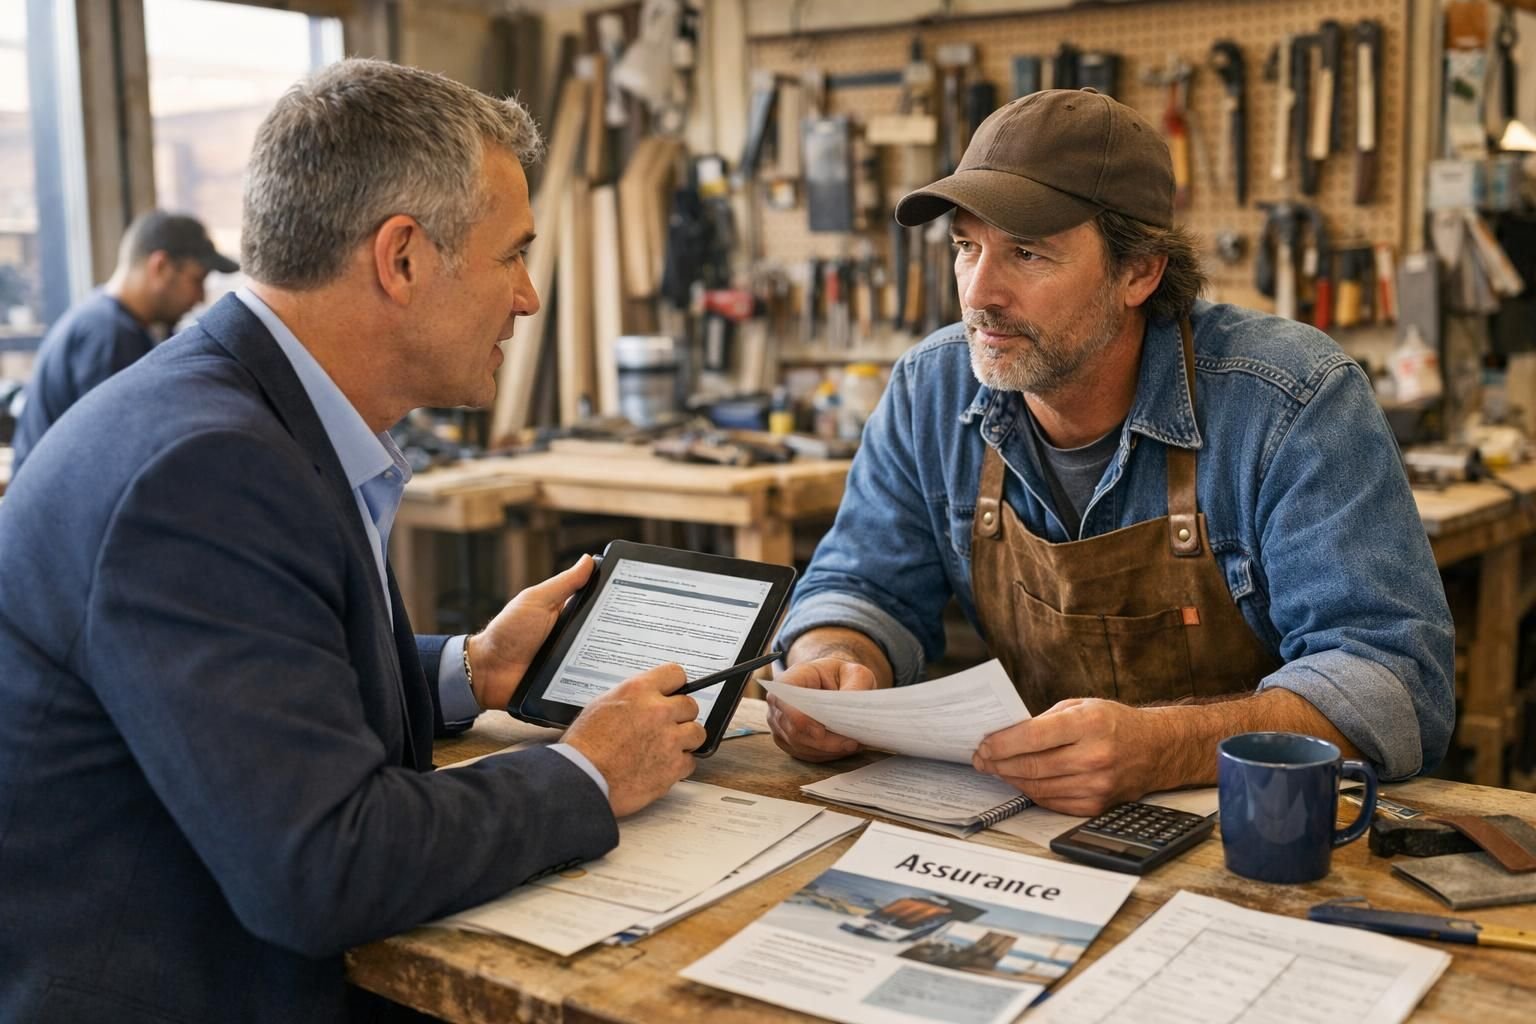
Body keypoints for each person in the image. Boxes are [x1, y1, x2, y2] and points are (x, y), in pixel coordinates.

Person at [0, 59, 704, 1023]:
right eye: (512, 255)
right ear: (403, 257)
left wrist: (469, 667)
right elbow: (320, 861)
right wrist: (585, 771)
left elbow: (252, 690)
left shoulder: (237, 416)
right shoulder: (205, 473)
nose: (530, 297)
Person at [768, 89, 1454, 816]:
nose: (980, 292)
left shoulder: (1291, 399)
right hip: (1023, 820)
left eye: (1027, 253)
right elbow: (862, 586)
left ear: (1140, 272)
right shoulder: (929, 389)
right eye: (967, 247)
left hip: (1252, 826)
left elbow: (1397, 682)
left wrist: (1170, 747)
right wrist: (830, 660)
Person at [11, 210, 238, 469]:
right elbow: (115, 452)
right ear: (160, 267)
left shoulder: (105, 320)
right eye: (197, 280)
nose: (200, 297)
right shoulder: (109, 335)